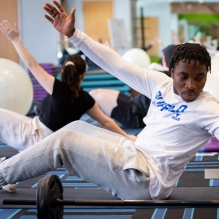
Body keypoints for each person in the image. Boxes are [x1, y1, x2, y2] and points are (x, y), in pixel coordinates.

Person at [0, 1, 216, 201]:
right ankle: (10, 169)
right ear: (172, 72)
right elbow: (116, 64)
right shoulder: (161, 84)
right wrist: (74, 35)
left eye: (199, 78)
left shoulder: (208, 109)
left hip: (146, 180)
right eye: (184, 77)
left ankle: (2, 173)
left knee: (63, 141)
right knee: (75, 127)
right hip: (135, 153)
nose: (191, 85)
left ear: (206, 75)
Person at [0, 21, 135, 153]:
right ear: (83, 75)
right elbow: (106, 122)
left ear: (63, 70)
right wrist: (128, 137)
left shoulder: (56, 87)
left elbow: (31, 64)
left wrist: (15, 39)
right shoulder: (85, 99)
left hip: (35, 137)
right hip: (49, 142)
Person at [89, 44, 177, 128]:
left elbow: (124, 70)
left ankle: (107, 123)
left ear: (164, 60)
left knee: (94, 94)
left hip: (136, 114)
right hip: (136, 103)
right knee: (97, 92)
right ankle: (107, 119)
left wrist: (109, 55)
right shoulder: (174, 78)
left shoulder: (161, 76)